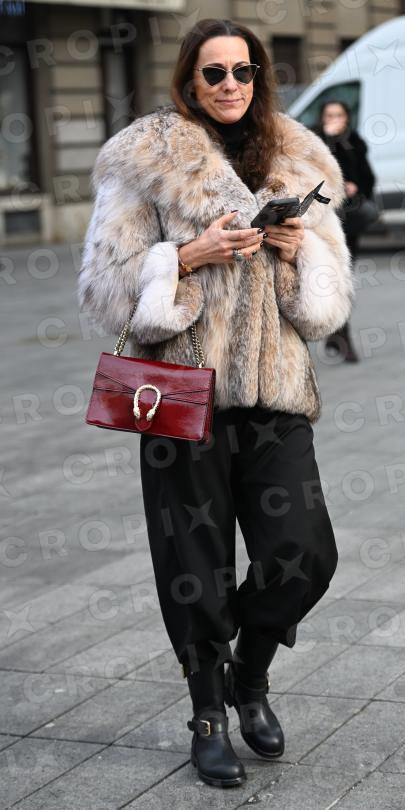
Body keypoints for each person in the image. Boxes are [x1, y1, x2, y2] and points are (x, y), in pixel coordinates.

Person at [78, 18, 353, 789]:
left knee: (304, 555)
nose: (230, 85)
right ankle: (207, 717)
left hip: (275, 394)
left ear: (259, 77)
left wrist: (301, 255)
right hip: (181, 398)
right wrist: (182, 258)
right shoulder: (145, 157)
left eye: (243, 71)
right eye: (214, 73)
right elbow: (103, 289)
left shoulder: (297, 155)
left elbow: (327, 300)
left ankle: (249, 676)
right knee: (193, 567)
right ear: (189, 82)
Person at [313, 100, 376, 362]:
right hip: (324, 221)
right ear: (322, 118)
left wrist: (355, 187)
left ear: (347, 117)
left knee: (345, 278)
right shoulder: (315, 142)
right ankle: (338, 334)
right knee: (330, 278)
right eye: (329, 115)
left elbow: (368, 178)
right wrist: (329, 140)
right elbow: (315, 174)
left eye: (339, 115)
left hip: (350, 221)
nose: (334, 119)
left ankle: (339, 335)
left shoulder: (355, 142)